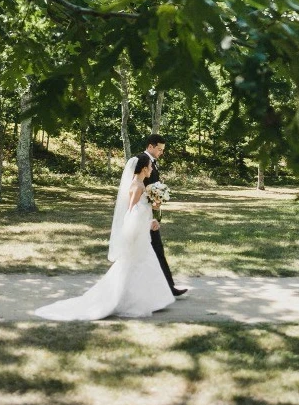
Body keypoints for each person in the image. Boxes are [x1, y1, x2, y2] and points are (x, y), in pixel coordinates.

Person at [34, 153, 175, 320]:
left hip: (143, 233)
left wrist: (153, 212)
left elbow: (141, 209)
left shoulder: (141, 185)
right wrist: (145, 224)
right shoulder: (137, 186)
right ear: (144, 168)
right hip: (138, 235)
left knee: (142, 266)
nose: (152, 169)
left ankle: (151, 300)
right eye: (150, 167)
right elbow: (132, 212)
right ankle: (129, 301)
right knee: (134, 267)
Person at [141, 134, 188, 297]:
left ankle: (165, 287)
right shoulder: (142, 161)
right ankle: (167, 288)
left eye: (162, 150)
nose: (161, 152)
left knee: (153, 250)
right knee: (154, 250)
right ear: (150, 146)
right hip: (144, 215)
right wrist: (152, 212)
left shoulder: (152, 161)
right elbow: (139, 188)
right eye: (159, 149)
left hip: (148, 212)